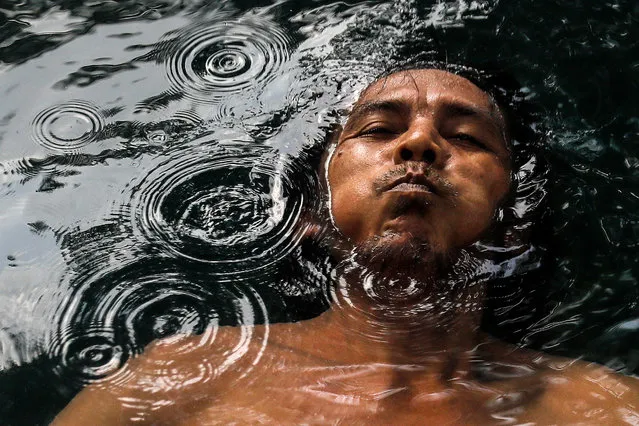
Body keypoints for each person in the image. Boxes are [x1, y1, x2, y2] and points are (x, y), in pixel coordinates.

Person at [53, 65, 639, 425]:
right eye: (379, 129)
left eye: (465, 137)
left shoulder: (604, 409)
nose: (420, 143)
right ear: (309, 212)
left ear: (515, 221)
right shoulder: (186, 377)